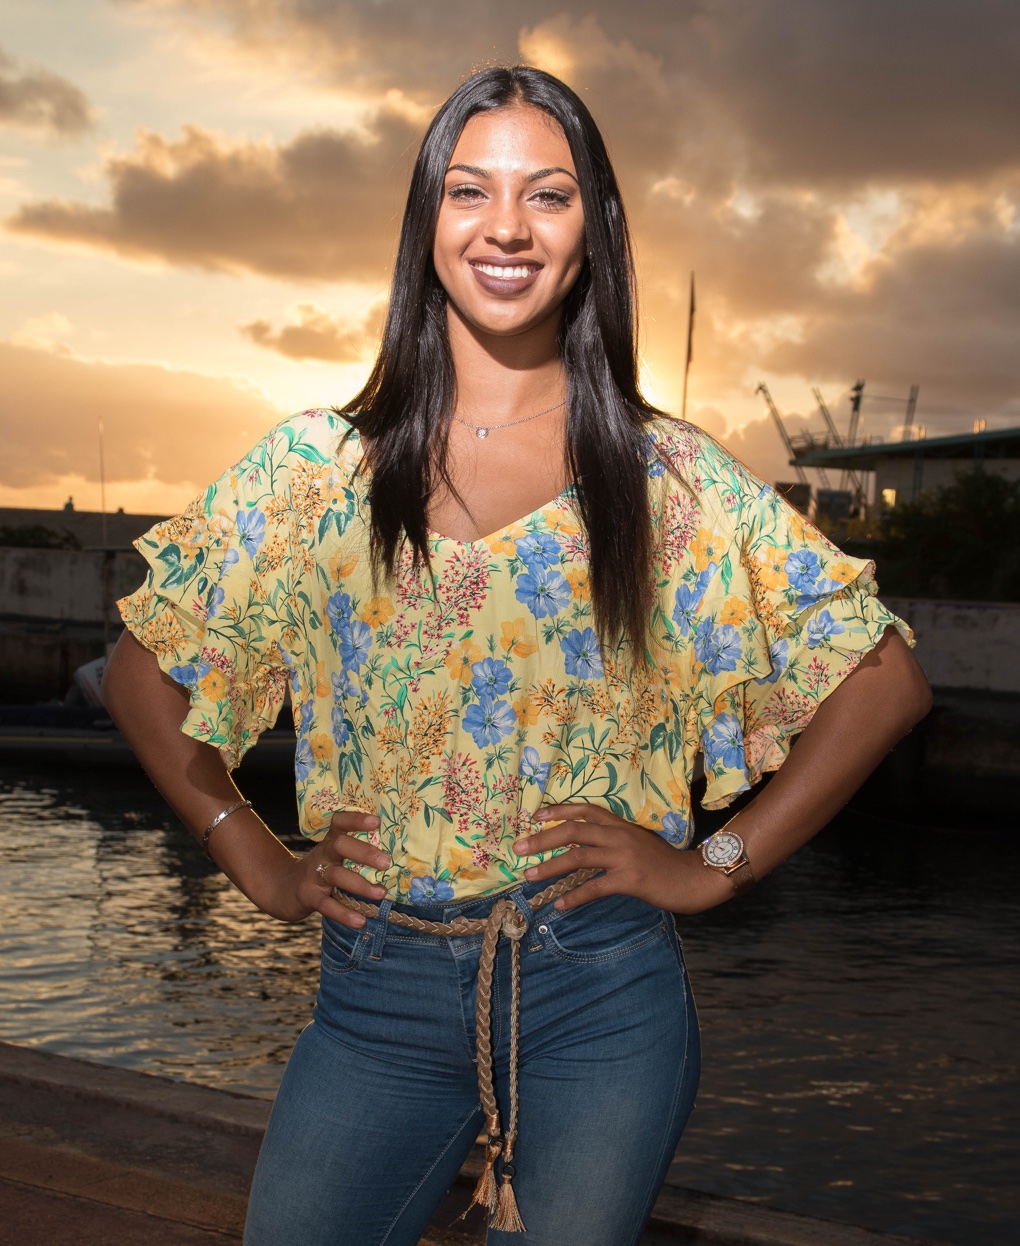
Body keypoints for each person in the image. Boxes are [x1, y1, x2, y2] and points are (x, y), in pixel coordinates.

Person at [102, 65, 931, 1246]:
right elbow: (145, 666)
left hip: (599, 1000)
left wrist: (717, 864)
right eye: (467, 191)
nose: (505, 226)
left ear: (592, 232)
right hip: (374, 995)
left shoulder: (667, 482)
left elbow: (886, 677)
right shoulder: (312, 472)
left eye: (547, 195)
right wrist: (261, 862)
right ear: (425, 224)